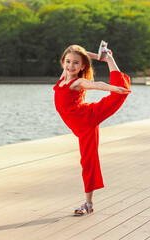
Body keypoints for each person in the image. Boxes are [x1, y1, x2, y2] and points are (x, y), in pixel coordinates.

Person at [53, 43, 131, 216]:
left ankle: (88, 203)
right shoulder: (64, 77)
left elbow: (98, 85)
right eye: (68, 61)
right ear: (62, 62)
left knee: (87, 162)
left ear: (82, 66)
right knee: (87, 161)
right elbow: (76, 52)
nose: (70, 66)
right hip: (79, 126)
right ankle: (107, 58)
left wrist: (113, 88)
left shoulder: (76, 82)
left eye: (75, 63)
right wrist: (97, 55)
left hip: (87, 119)